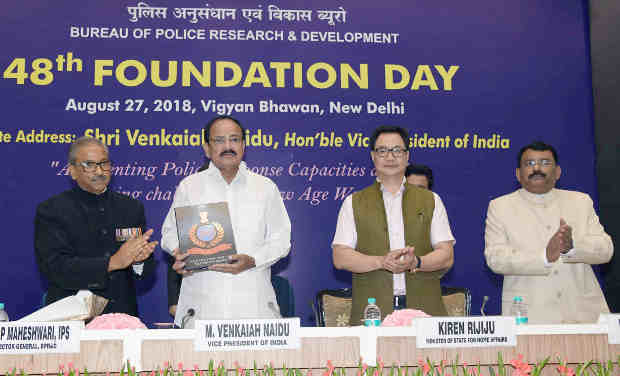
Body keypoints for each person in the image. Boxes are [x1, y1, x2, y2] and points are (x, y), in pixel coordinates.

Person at [161, 116, 291, 327]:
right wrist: (181, 253)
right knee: (200, 362)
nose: (228, 146)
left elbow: (282, 240)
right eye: (219, 140)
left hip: (252, 304)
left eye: (234, 139)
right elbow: (169, 233)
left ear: (244, 145)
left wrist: (253, 260)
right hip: (202, 305)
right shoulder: (189, 187)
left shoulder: (265, 188)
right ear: (206, 148)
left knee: (256, 362)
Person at [332, 125, 455, 325]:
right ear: (373, 156)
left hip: (425, 310)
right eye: (383, 151)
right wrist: (382, 262)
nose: (390, 157)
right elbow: (340, 256)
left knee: (428, 359)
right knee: (373, 359)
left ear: (407, 156)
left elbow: (446, 255)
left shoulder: (431, 200)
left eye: (397, 150)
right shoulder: (353, 202)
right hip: (372, 312)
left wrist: (417, 263)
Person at [484, 141, 614, 324]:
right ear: (518, 174)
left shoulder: (580, 201)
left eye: (545, 163)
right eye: (529, 164)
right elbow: (496, 259)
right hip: (530, 317)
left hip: (584, 316)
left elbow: (606, 250)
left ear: (558, 172)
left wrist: (572, 247)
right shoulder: (500, 207)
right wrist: (544, 256)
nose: (537, 168)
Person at [34, 136, 157, 316]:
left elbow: (146, 273)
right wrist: (112, 263)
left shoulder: (131, 207)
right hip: (71, 318)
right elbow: (54, 268)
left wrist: (139, 261)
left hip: (121, 318)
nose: (99, 171)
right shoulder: (52, 210)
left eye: (104, 163)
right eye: (89, 165)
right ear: (72, 171)